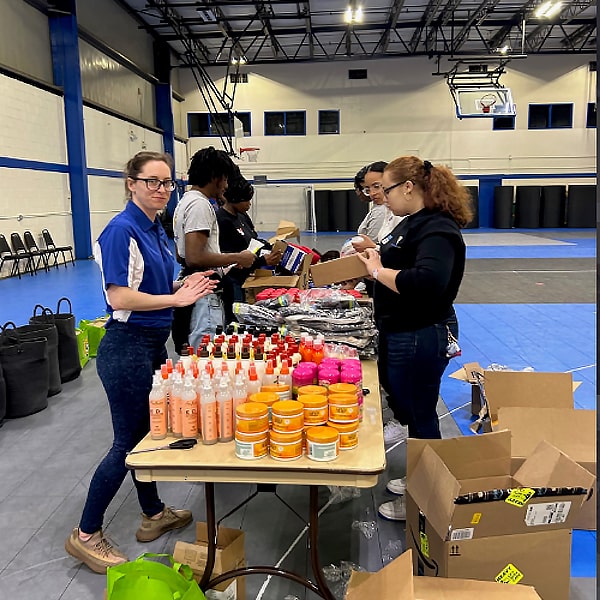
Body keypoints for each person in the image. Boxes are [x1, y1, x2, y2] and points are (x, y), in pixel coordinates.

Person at [65, 151, 217, 573]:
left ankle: (152, 514)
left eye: (168, 183)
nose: (162, 190)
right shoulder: (121, 230)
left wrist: (181, 283)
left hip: (152, 344)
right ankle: (85, 534)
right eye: (153, 182)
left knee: (147, 434)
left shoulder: (155, 228)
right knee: (127, 443)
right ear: (131, 183)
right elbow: (119, 297)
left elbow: (148, 283)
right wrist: (176, 298)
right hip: (127, 346)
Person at [357, 156, 472, 521]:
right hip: (403, 331)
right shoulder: (413, 224)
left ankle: (426, 500)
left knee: (422, 418)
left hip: (420, 334)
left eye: (386, 189)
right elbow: (400, 262)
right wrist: (375, 257)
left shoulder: (437, 229)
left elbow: (425, 282)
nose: (381, 196)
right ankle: (419, 480)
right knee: (411, 412)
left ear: (408, 187)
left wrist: (377, 270)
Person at [173, 147, 256, 350]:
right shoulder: (200, 205)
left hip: (194, 283)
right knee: (208, 352)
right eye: (225, 179)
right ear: (215, 177)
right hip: (205, 292)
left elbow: (180, 254)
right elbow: (194, 257)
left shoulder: (183, 202)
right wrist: (237, 257)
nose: (226, 186)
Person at [216, 173, 283, 323]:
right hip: (233, 280)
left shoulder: (242, 216)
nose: (249, 204)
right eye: (246, 200)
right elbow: (227, 257)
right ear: (234, 199)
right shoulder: (222, 221)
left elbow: (253, 239)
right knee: (235, 318)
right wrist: (261, 261)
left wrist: (270, 248)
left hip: (248, 276)